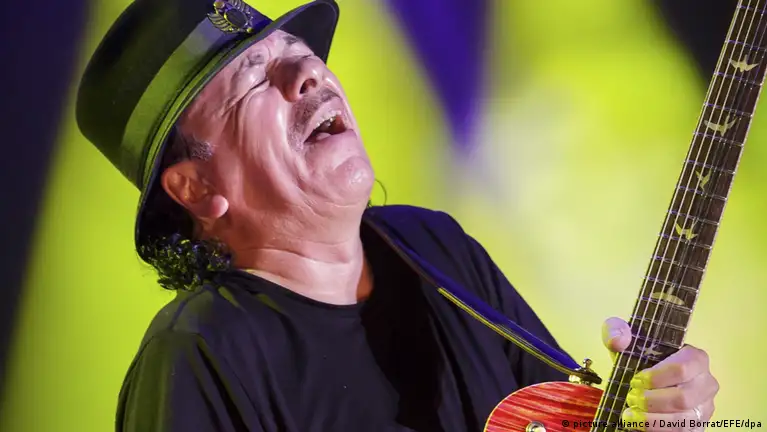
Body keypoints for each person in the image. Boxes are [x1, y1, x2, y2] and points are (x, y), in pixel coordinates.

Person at [75, 0, 720, 430]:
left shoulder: (436, 247)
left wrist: (661, 411)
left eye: (296, 50)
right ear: (195, 188)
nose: (307, 72)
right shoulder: (199, 355)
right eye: (253, 79)